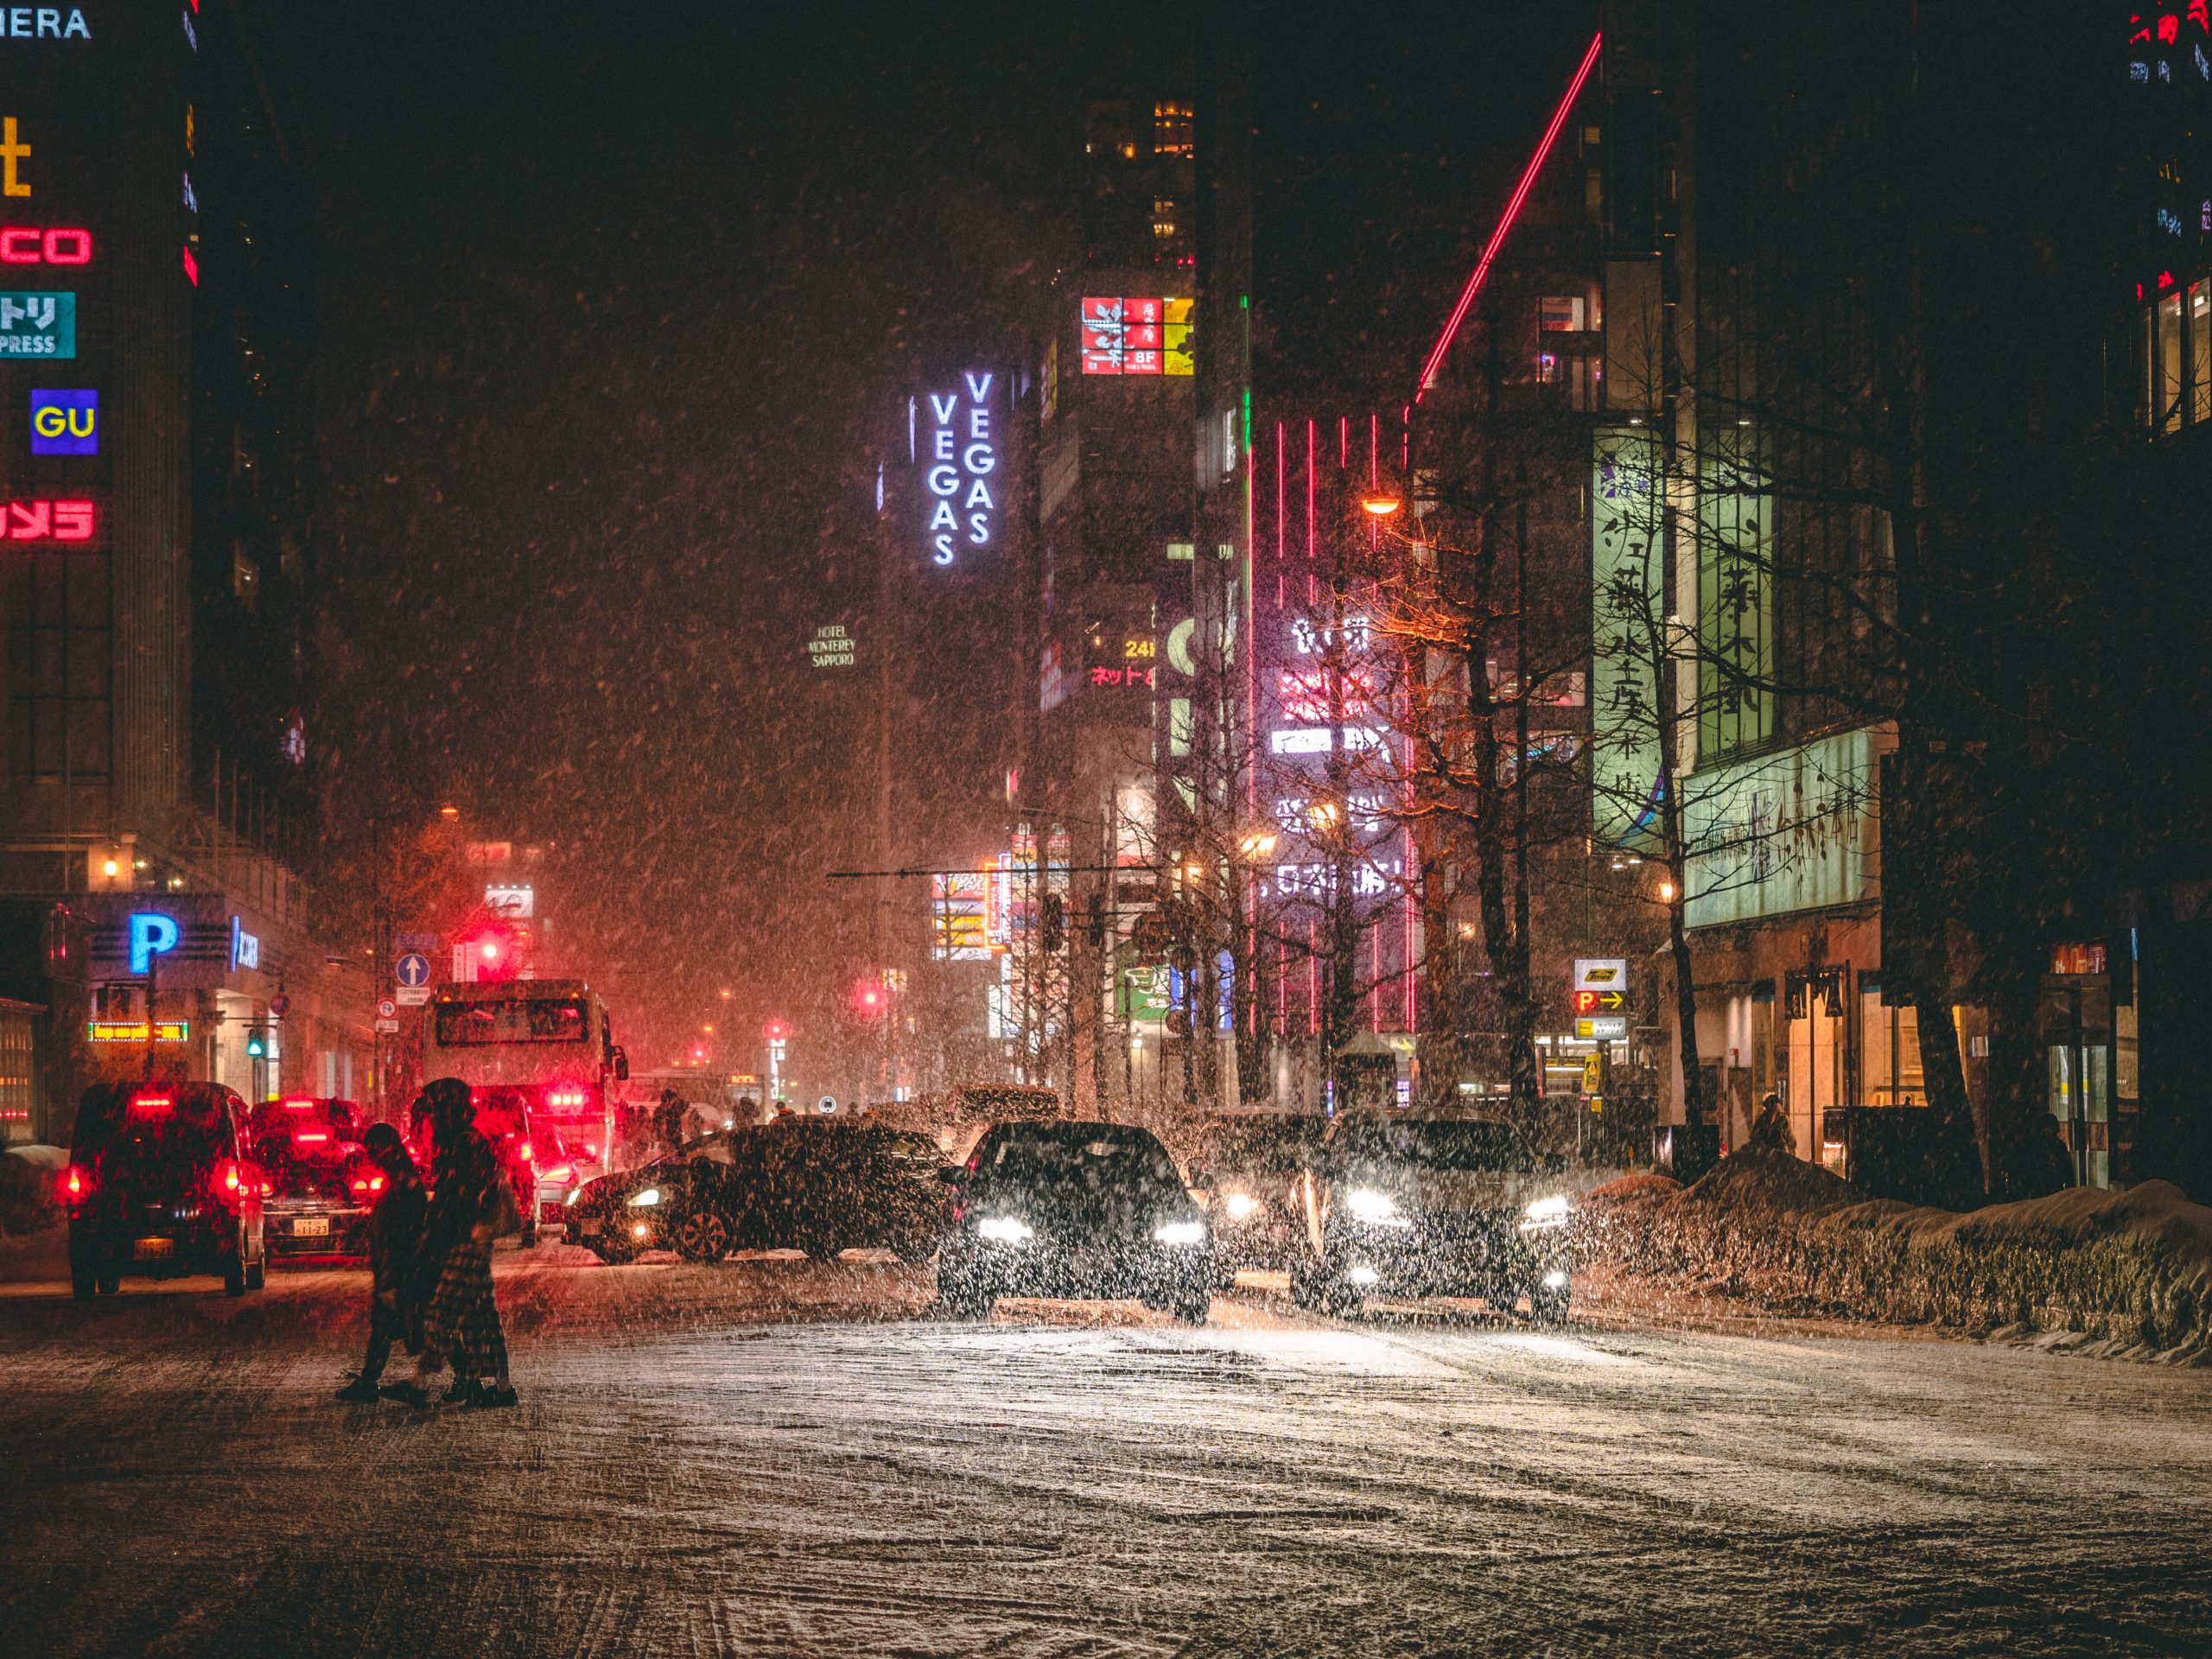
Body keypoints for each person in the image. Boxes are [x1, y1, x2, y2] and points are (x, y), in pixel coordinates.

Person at [382, 1077, 517, 1409]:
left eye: (433, 1113)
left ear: (447, 1111)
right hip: (471, 1238)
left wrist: (436, 1232)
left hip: (465, 1241)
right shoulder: (465, 1141)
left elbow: (458, 1198)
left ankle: (420, 1382)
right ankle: (498, 1387)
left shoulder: (461, 1144)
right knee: (480, 1317)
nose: (430, 1121)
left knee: (442, 1312)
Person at [336, 1123, 428, 1403]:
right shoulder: (397, 1175)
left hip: (401, 1268)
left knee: (412, 1325)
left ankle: (432, 1383)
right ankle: (377, 1380)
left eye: (374, 1150)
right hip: (398, 1267)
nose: (373, 1158)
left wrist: (395, 1270)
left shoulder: (403, 1178)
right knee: (394, 1325)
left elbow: (407, 1226)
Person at [1746, 1091, 1796, 1157]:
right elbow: (1754, 1137)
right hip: (1766, 1156)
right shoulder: (1762, 1119)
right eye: (1768, 1108)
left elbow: (1791, 1141)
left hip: (1780, 1156)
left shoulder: (1784, 1120)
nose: (1769, 1110)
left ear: (1776, 1106)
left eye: (1771, 1107)